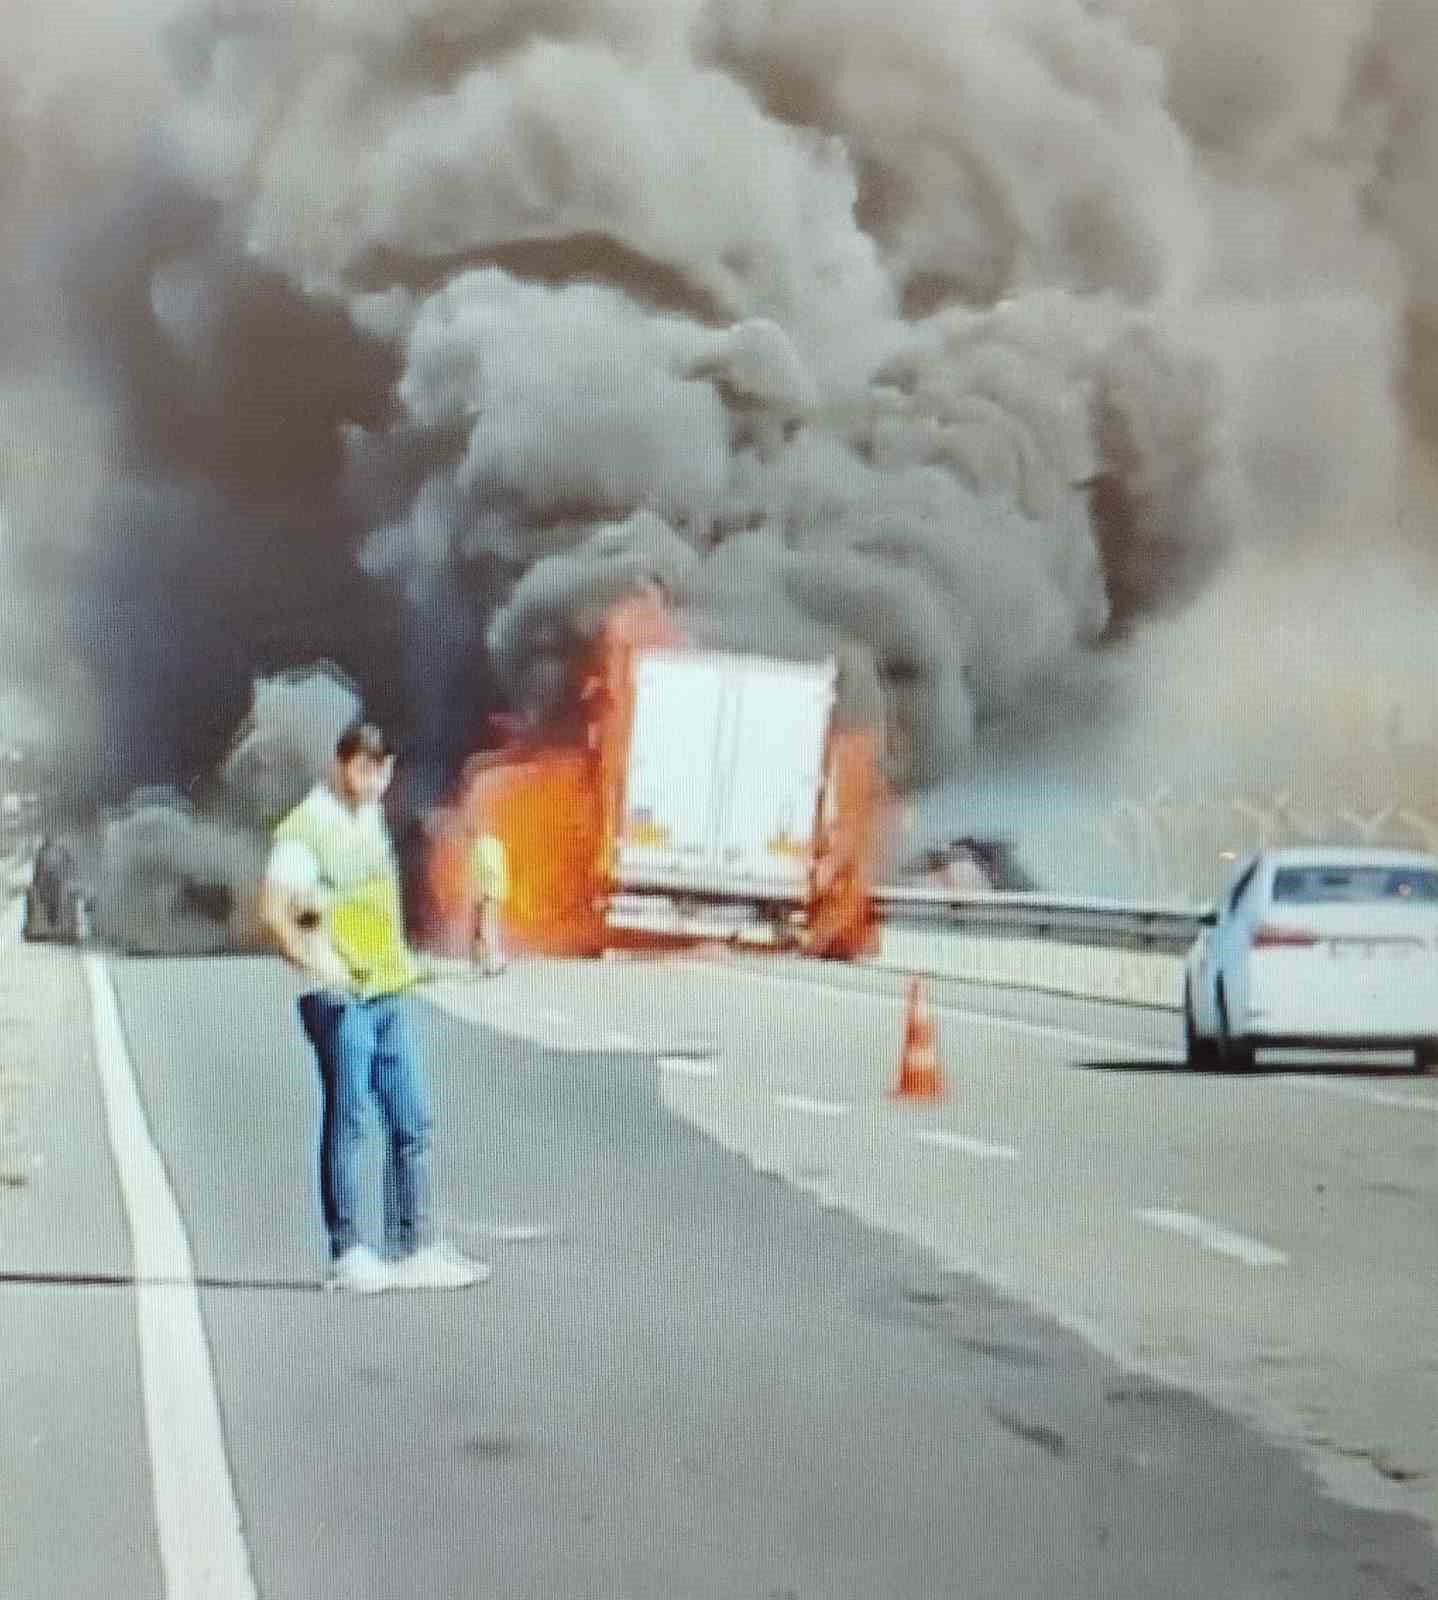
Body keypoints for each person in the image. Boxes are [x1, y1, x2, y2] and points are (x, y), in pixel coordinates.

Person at [259, 719, 489, 1295]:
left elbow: (369, 907)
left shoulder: (369, 819)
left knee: (411, 1121)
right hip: (341, 1000)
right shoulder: (308, 826)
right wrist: (318, 967)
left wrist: (409, 963)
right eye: (364, 766)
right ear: (341, 765)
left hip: (386, 991)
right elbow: (274, 909)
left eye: (382, 768)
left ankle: (411, 1247)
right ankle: (348, 1253)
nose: (374, 778)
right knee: (349, 1121)